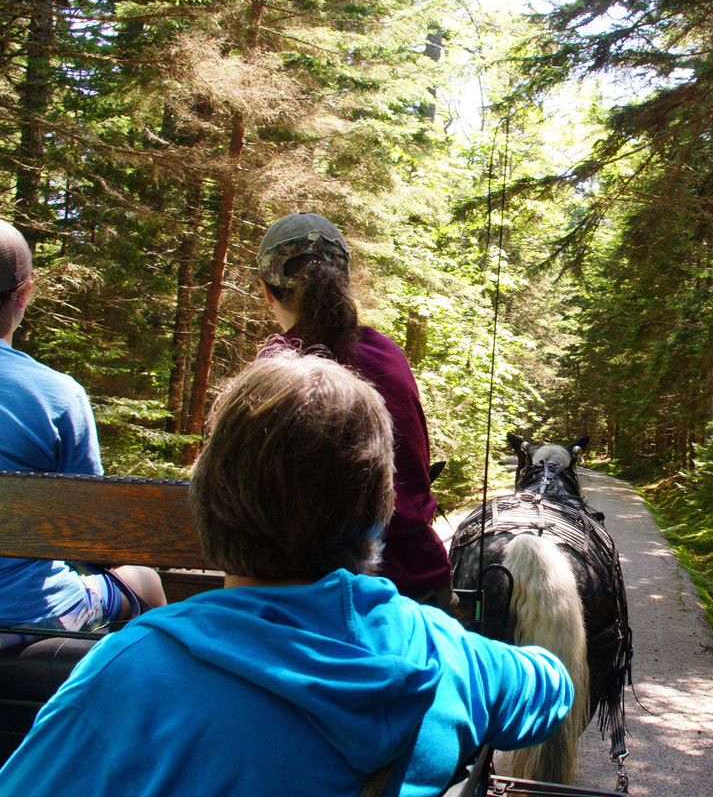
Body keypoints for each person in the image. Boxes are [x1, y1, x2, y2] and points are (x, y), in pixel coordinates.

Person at [0, 352, 574, 796]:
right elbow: (552, 684)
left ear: (206, 506)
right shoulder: (445, 657)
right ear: (378, 516)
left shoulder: (123, 679)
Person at [254, 211, 455, 608]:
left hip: (304, 596)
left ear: (267, 289)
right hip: (414, 584)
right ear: (344, 282)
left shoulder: (276, 365)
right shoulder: (389, 354)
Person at [0, 219, 165, 641]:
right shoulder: (56, 396)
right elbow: (91, 539)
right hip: (27, 613)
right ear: (25, 295)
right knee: (143, 579)